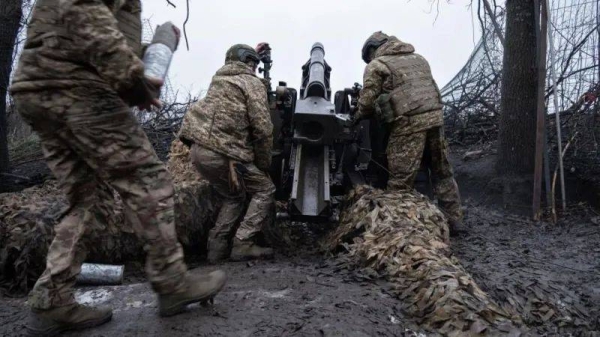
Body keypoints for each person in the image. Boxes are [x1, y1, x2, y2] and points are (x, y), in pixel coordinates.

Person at [9, 1, 226, 335]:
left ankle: (51, 299)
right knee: (148, 179)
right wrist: (131, 80)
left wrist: (149, 51)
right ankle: (171, 282)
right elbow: (84, 12)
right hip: (76, 87)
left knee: (87, 200)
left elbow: (93, 31)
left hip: (41, 87)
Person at [353, 31, 463, 232]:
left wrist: (357, 117)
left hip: (408, 124)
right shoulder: (419, 59)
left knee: (400, 181)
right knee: (442, 172)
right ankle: (455, 221)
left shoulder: (377, 65)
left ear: (372, 50)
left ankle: (399, 230)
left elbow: (367, 102)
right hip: (435, 119)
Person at [178, 44, 276, 263]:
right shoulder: (250, 82)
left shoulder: (220, 81)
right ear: (249, 63)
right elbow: (262, 128)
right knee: (264, 189)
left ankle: (216, 248)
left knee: (234, 196)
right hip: (225, 154)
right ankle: (243, 243)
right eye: (253, 64)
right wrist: (263, 162)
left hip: (199, 152)